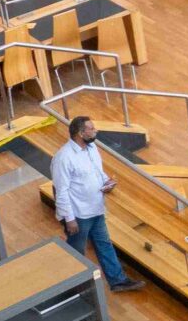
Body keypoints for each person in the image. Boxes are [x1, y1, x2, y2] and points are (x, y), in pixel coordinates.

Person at [52, 116, 143, 291]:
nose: (96, 131)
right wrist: (69, 219)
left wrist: (106, 182)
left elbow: (97, 172)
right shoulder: (64, 158)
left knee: (104, 244)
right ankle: (71, 287)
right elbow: (61, 190)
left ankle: (117, 281)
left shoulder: (92, 148)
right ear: (80, 133)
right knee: (76, 251)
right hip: (78, 215)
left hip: (95, 209)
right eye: (92, 129)